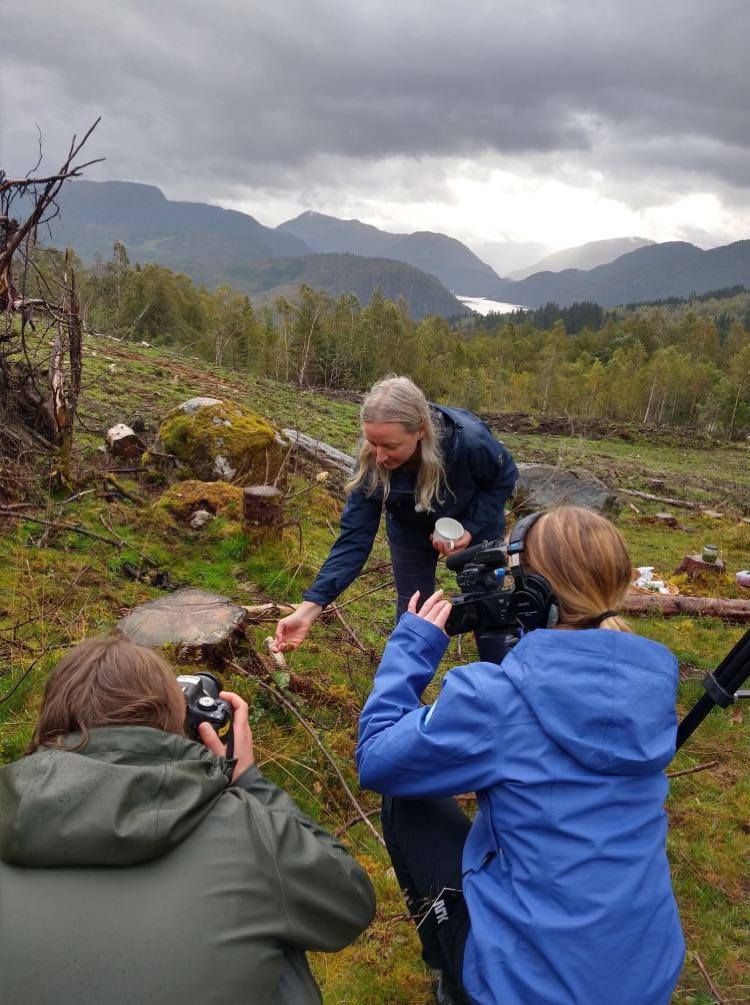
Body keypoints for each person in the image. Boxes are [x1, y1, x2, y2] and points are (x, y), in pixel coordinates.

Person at [356, 507, 685, 1005]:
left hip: (531, 989)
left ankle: (454, 977)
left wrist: (412, 645)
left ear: (532, 593)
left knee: (406, 796)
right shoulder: (650, 683)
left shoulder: (496, 700)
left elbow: (377, 757)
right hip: (646, 974)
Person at [0, 637, 375, 1005]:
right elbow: (351, 903)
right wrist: (247, 780)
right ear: (175, 721)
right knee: (279, 932)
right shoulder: (245, 826)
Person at [273, 375, 518, 656]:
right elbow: (353, 540)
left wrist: (469, 528)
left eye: (390, 446)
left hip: (474, 517)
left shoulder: (470, 443)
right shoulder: (371, 465)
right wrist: (310, 608)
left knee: (486, 601)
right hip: (409, 526)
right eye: (372, 443)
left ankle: (501, 681)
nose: (379, 457)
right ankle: (403, 689)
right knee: (413, 608)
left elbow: (504, 477)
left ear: (421, 431)